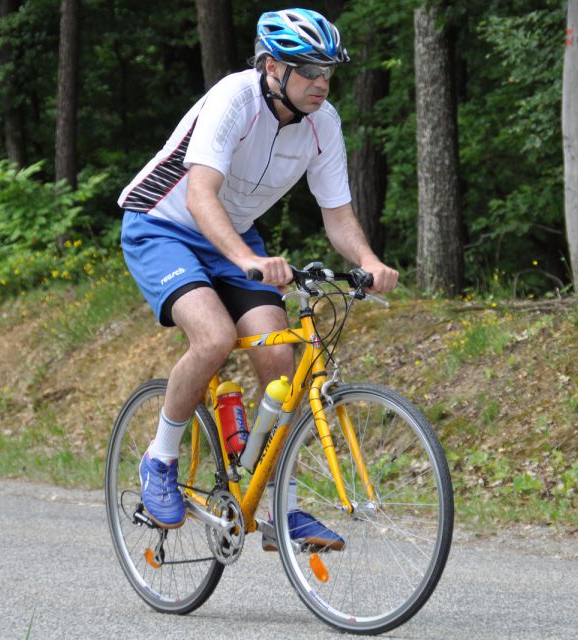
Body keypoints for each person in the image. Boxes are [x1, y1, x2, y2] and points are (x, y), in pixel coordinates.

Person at [118, 8, 398, 549]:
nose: (322, 83)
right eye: (309, 70)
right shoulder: (233, 99)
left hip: (233, 237)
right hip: (162, 225)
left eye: (328, 71)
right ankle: (161, 458)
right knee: (215, 336)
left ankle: (280, 511)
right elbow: (200, 195)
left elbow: (337, 215)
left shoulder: (324, 123)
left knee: (280, 361)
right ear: (273, 67)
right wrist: (248, 258)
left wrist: (368, 261)